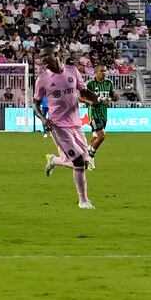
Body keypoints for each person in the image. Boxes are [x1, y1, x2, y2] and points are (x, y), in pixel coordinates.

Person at [34, 49, 99, 210]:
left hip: (76, 124)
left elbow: (83, 90)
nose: (42, 60)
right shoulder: (42, 79)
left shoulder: (73, 71)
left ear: (56, 55)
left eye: (45, 56)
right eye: (41, 57)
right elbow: (35, 104)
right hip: (58, 126)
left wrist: (97, 99)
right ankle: (83, 201)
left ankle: (54, 160)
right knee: (78, 161)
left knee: (84, 163)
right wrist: (43, 119)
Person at [85, 65, 117, 168]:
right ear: (96, 72)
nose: (104, 72)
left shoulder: (109, 83)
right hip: (94, 113)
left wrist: (115, 98)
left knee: (96, 137)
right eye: (102, 71)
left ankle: (86, 152)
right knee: (102, 136)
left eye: (105, 70)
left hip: (104, 114)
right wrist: (90, 102)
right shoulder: (90, 84)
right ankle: (91, 156)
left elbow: (112, 97)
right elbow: (79, 97)